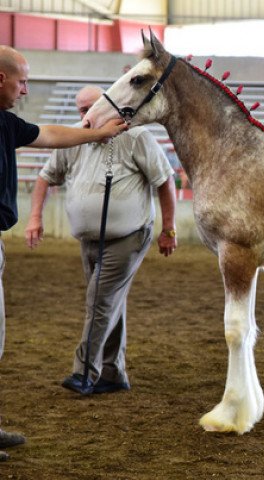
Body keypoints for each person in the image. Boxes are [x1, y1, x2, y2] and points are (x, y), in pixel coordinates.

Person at [0, 45, 126, 461]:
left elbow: (50, 133)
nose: (25, 90)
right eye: (21, 82)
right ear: (2, 79)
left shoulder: (7, 124)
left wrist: (97, 133)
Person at [24, 85, 177, 398]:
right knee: (108, 303)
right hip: (90, 239)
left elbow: (164, 180)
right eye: (82, 109)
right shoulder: (72, 139)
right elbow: (46, 176)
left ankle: (84, 373)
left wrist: (169, 228)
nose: (87, 115)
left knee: (99, 301)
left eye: (92, 107)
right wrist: (35, 217)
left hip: (128, 236)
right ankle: (112, 372)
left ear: (109, 106)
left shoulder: (136, 137)